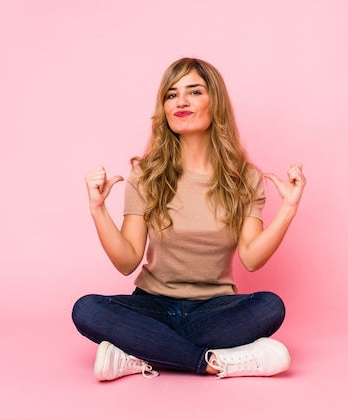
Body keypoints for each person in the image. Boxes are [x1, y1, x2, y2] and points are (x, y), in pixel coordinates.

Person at [71, 57, 306, 381]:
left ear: (216, 103)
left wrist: (288, 209)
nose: (180, 101)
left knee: (270, 306)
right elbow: (127, 261)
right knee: (87, 309)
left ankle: (139, 352)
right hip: (153, 306)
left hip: (215, 308)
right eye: (171, 94)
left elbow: (251, 259)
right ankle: (212, 362)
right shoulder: (146, 175)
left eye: (194, 91)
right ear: (164, 108)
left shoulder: (244, 178)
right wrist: (97, 208)